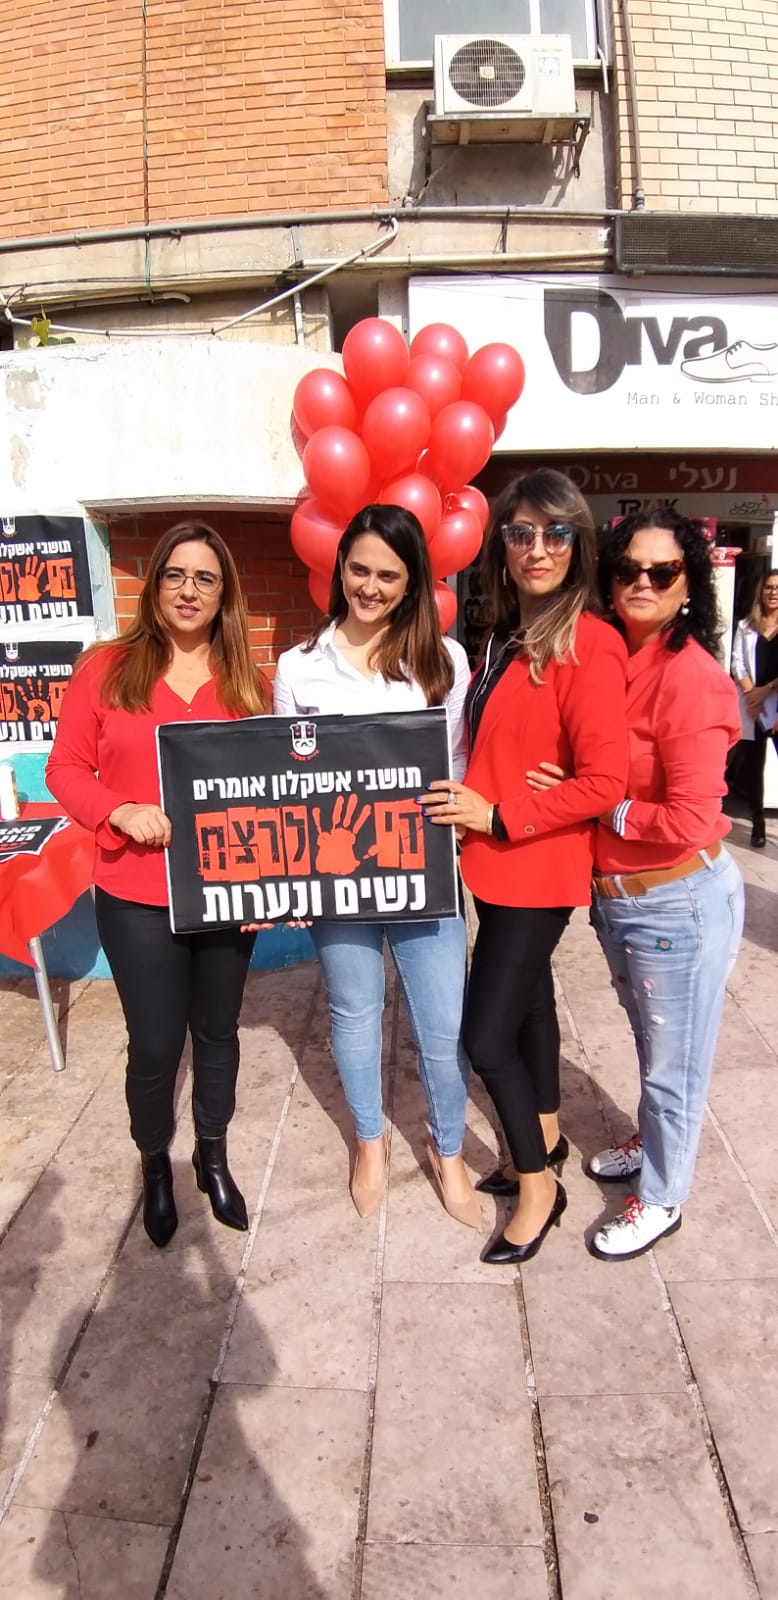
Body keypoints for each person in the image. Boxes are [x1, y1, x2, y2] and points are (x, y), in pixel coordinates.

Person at [422, 468, 629, 1266]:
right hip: (497, 867)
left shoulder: (591, 641)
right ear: (500, 548)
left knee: (486, 1036)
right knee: (533, 1010)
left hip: (538, 865)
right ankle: (538, 1140)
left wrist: (503, 814)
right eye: (520, 533)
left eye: (555, 533)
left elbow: (605, 782)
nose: (536, 548)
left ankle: (539, 1188)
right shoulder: (505, 637)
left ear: (578, 544)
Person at [46, 522, 270, 1248]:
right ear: (155, 585)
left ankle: (212, 1154)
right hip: (136, 895)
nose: (188, 591)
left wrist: (270, 884)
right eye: (175, 574)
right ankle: (154, 1164)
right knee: (153, 1042)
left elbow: (269, 796)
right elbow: (64, 769)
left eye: (206, 578)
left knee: (218, 1032)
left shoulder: (247, 682)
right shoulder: (106, 669)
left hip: (225, 892)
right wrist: (117, 809)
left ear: (224, 594)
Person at [272, 503, 478, 1227]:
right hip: (338, 875)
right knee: (354, 1013)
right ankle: (368, 1142)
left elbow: (456, 760)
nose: (370, 586)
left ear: (413, 580)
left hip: (423, 869)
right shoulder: (298, 667)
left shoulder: (444, 660)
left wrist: (453, 828)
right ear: (339, 570)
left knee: (443, 1026)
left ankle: (449, 1150)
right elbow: (289, 782)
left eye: (388, 575)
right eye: (359, 570)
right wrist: (293, 871)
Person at [574, 509, 744, 1260]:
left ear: (688, 584)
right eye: (628, 569)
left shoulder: (692, 678)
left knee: (676, 1063)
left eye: (662, 571)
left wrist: (600, 804)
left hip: (677, 901)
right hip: (622, 900)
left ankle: (664, 1196)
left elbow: (691, 817)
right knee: (652, 1041)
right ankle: (652, 1141)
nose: (642, 581)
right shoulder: (613, 659)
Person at [731, 569, 778, 848]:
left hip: (775, 704)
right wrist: (751, 695)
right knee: (754, 769)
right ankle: (758, 825)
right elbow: (737, 661)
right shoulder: (747, 625)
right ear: (761, 591)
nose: (773, 592)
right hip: (753, 708)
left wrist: (766, 690)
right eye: (769, 587)